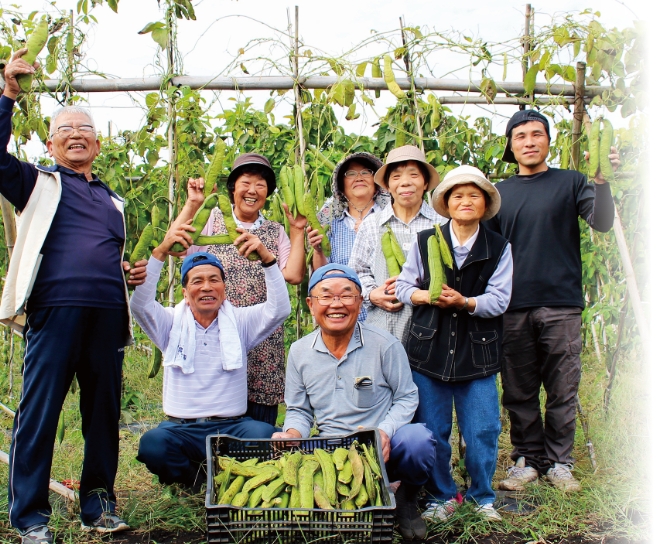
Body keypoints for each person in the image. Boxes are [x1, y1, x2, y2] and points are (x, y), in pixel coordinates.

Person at [0, 51, 147, 543]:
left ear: (98, 144)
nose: (77, 135)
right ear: (51, 142)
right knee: (39, 411)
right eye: (66, 130)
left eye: (84, 129)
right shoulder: (35, 182)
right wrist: (9, 95)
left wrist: (127, 273)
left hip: (107, 316)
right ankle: (30, 519)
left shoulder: (112, 200)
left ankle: (98, 507)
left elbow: (106, 255)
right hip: (54, 311)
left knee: (103, 415)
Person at [484, 109, 619, 492]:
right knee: (519, 387)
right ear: (510, 146)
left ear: (548, 140)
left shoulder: (572, 182)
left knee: (562, 385)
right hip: (511, 304)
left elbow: (603, 222)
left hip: (561, 302)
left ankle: (560, 462)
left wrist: (602, 181)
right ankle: (527, 458)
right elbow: (487, 250)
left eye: (536, 134)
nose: (529, 141)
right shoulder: (499, 194)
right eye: (520, 136)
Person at [272, 264, 435, 540]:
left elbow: (407, 397)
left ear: (360, 302)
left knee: (418, 439)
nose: (337, 304)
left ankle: (406, 498)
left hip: (381, 451)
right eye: (326, 296)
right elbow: (299, 410)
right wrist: (292, 433)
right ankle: (362, 495)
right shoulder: (300, 353)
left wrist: (384, 431)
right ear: (311, 304)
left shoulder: (385, 345)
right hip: (330, 453)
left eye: (347, 295)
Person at [129, 221, 291, 489]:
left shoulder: (239, 322)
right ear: (185, 291)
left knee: (265, 434)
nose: (206, 287)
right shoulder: (169, 324)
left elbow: (279, 309)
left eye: (214, 279)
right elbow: (140, 305)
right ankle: (197, 481)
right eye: (198, 281)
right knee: (153, 444)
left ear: (224, 289)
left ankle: (222, 478)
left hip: (232, 428)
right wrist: (159, 253)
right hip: (182, 429)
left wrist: (267, 259)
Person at [396, 165, 513, 522]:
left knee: (482, 429)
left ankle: (482, 496)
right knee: (434, 430)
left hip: (476, 352)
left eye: (474, 195)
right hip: (429, 350)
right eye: (458, 195)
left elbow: (500, 298)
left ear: (485, 203)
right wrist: (424, 296)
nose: (465, 201)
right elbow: (403, 288)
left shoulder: (498, 246)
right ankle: (441, 496)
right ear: (446, 203)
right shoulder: (425, 241)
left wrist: (465, 302)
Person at [176, 154, 306, 426]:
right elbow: (177, 247)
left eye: (261, 185)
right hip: (213, 333)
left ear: (268, 193)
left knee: (258, 422)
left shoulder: (275, 231)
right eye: (245, 182)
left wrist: (296, 231)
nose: (252, 190)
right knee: (213, 415)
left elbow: (292, 275)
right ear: (233, 188)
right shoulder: (211, 220)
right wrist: (193, 204)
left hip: (261, 336)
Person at [348, 145, 445, 345]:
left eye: (414, 175)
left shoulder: (442, 225)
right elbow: (357, 271)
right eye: (396, 176)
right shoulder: (373, 224)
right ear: (388, 186)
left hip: (434, 331)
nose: (405, 182)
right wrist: (372, 294)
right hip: (384, 329)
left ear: (425, 182)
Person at [307, 152, 390, 322]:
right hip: (343, 314)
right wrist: (318, 250)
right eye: (351, 173)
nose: (359, 177)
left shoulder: (390, 219)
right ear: (341, 187)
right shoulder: (331, 223)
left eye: (366, 172)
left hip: (386, 310)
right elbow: (323, 274)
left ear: (377, 184)